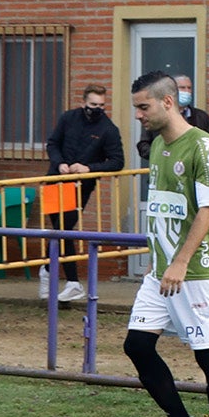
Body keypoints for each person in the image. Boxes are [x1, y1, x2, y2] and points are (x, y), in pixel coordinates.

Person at [123, 71, 209, 417]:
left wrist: (180, 261)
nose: (138, 114)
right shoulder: (158, 145)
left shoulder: (203, 147)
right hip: (161, 272)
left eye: (144, 106)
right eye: (136, 107)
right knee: (137, 346)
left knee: (208, 356)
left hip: (197, 271)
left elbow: (208, 209)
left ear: (168, 102)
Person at [44, 83, 125, 302]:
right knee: (57, 230)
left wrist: (89, 169)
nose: (96, 109)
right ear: (83, 103)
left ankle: (70, 281)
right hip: (55, 179)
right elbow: (52, 144)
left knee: (65, 229)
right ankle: (48, 270)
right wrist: (59, 163)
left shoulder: (108, 129)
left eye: (101, 105)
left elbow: (117, 161)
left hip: (81, 185)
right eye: (92, 104)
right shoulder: (68, 118)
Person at [135, 73, 209, 159]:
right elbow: (143, 145)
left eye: (189, 88)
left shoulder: (201, 117)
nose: (187, 92)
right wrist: (164, 154)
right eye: (182, 88)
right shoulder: (156, 116)